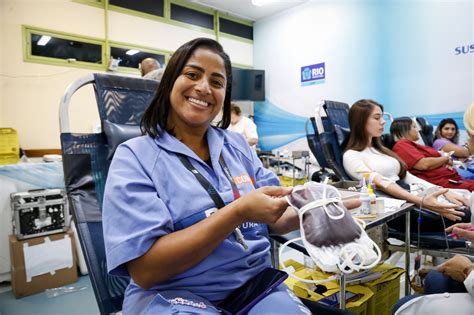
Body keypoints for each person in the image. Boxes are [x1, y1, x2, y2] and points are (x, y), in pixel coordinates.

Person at [102, 37, 357, 314]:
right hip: (173, 296)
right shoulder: (135, 156)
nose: (203, 88)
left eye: (217, 81)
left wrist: (317, 204)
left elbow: (275, 218)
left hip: (252, 288)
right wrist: (238, 212)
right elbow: (146, 271)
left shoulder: (236, 146)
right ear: (169, 82)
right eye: (192, 74)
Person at [342, 99, 468, 232]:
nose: (383, 122)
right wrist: (423, 202)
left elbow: (408, 176)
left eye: (382, 117)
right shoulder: (352, 156)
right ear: (360, 122)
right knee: (467, 214)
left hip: (413, 197)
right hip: (400, 210)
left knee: (466, 202)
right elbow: (382, 183)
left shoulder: (381, 150)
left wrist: (443, 191)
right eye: (377, 118)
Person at [390, 117, 474, 191]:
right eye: (414, 127)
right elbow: (424, 164)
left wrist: (444, 162)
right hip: (439, 182)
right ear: (405, 130)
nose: (417, 130)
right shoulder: (402, 145)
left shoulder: (412, 145)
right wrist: (445, 159)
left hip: (450, 178)